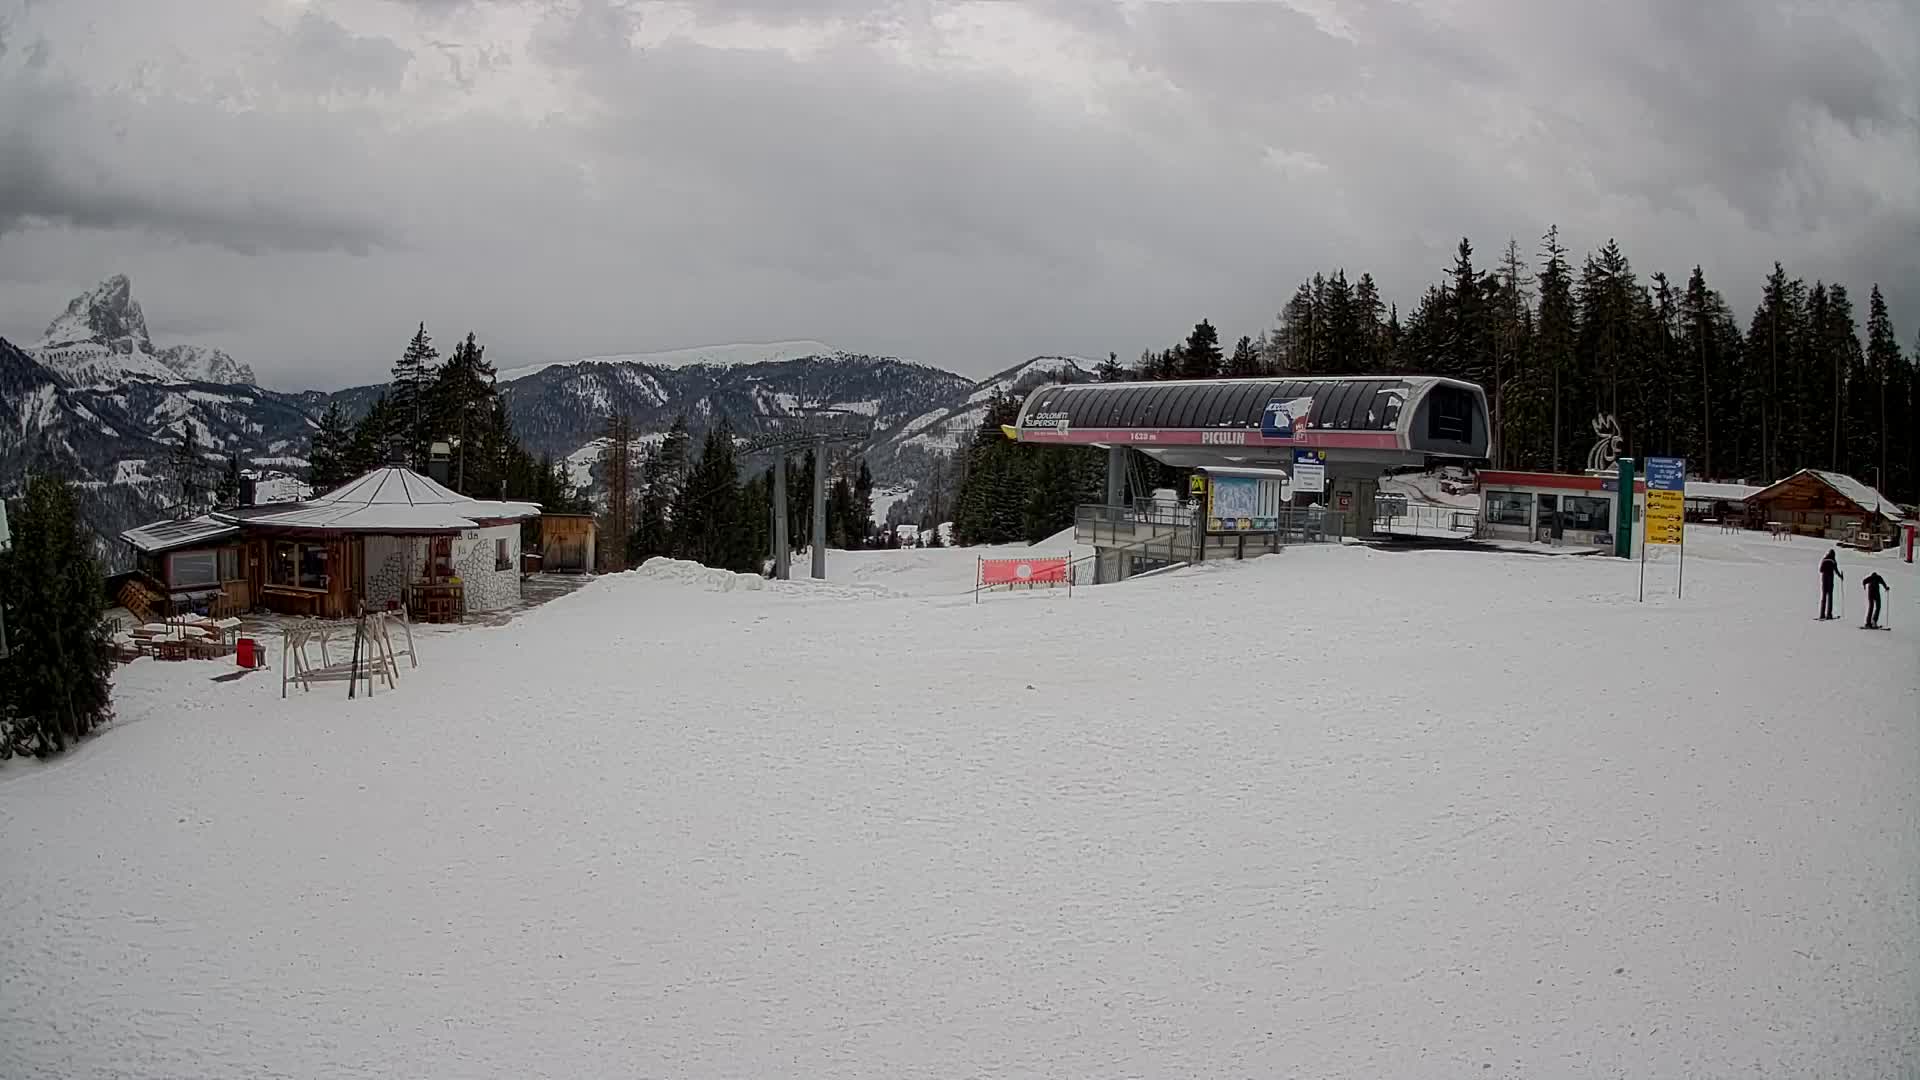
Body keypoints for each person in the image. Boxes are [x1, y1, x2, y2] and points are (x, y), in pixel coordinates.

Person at [1819, 548, 1843, 620]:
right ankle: (1829, 614)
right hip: (1830, 580)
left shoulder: (1824, 560)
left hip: (1824, 580)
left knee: (1823, 597)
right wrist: (1840, 576)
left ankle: (1822, 614)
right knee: (1830, 597)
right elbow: (1836, 571)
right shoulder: (1833, 561)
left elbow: (1820, 570)